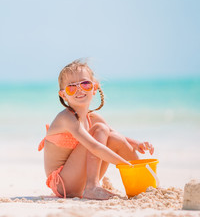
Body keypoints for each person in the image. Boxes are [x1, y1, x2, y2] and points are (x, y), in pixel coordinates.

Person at [38, 59, 154, 200]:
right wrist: (125, 165)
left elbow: (115, 135)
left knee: (114, 138)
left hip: (77, 180)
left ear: (94, 88)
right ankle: (92, 186)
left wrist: (137, 144)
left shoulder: (92, 118)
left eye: (85, 84)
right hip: (63, 184)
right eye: (72, 87)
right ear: (63, 94)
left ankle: (143, 185)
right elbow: (93, 146)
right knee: (100, 129)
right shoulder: (66, 118)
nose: (79, 89)